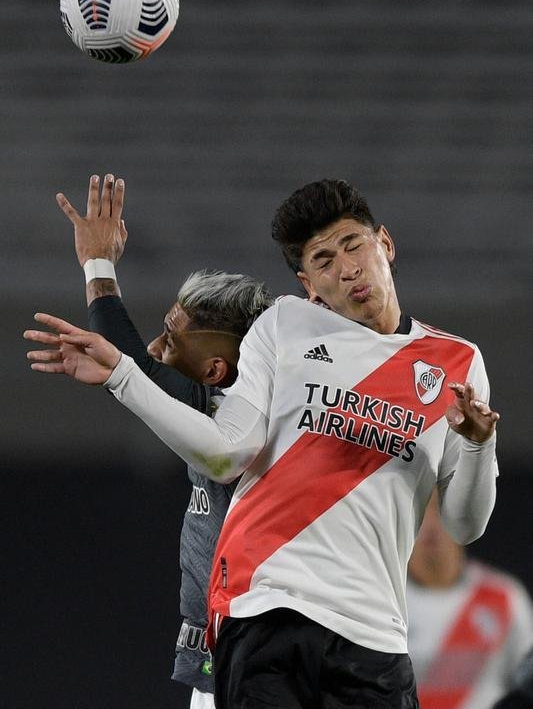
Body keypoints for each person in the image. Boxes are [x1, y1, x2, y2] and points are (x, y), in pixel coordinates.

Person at [25, 179, 500, 708]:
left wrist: (480, 445)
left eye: (353, 245)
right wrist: (119, 364)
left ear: (384, 243)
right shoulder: (287, 326)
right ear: (308, 283)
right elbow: (226, 449)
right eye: (323, 260)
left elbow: (464, 524)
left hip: (375, 634)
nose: (346, 268)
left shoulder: (457, 363)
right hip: (265, 610)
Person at [56, 173, 274, 709]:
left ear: (215, 368)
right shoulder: (220, 399)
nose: (157, 346)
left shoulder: (231, 411)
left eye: (172, 341)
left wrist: (98, 267)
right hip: (220, 645)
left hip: (256, 648)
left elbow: (128, 360)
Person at [407, 491, 533, 709]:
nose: (430, 523)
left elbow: (526, 685)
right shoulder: (381, 602)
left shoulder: (503, 597)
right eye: (418, 509)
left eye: (439, 508)